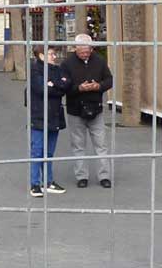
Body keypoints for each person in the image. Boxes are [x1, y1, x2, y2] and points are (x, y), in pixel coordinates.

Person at [60, 33, 114, 190]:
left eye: (88, 51)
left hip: (96, 108)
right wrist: (79, 88)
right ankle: (81, 176)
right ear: (75, 49)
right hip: (75, 110)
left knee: (101, 145)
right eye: (82, 51)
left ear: (91, 48)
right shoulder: (67, 64)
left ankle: (104, 176)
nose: (85, 54)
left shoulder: (99, 61)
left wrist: (99, 86)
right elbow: (63, 87)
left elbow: (109, 80)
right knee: (78, 145)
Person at [27, 45, 69, 197]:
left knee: (49, 152)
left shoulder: (57, 69)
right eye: (51, 54)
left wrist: (53, 84)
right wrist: (55, 85)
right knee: (37, 152)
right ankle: (35, 184)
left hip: (55, 116)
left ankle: (48, 182)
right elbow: (41, 89)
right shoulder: (34, 70)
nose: (54, 57)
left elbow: (65, 86)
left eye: (54, 54)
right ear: (40, 55)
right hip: (39, 116)